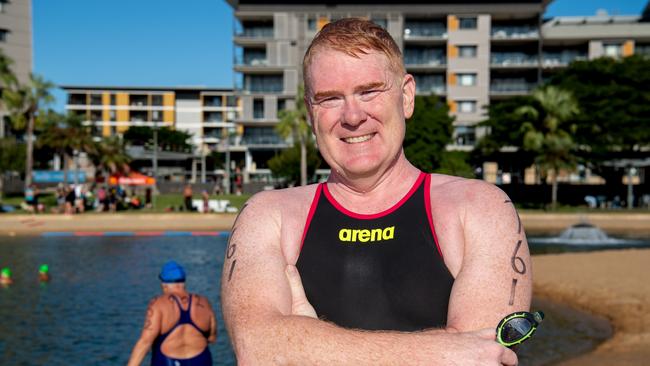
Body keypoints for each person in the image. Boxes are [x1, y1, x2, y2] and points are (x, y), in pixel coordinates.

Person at [221, 18, 531, 365]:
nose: (352, 116)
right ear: (310, 114)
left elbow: (484, 359)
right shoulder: (267, 214)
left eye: (368, 91)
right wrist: (440, 350)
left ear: (406, 96)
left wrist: (307, 343)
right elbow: (258, 347)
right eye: (330, 98)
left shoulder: (481, 208)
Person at [128, 261, 217, 366]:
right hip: (201, 360)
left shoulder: (158, 304)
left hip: (168, 361)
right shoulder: (204, 302)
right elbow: (212, 338)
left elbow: (145, 342)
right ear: (184, 282)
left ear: (164, 284)